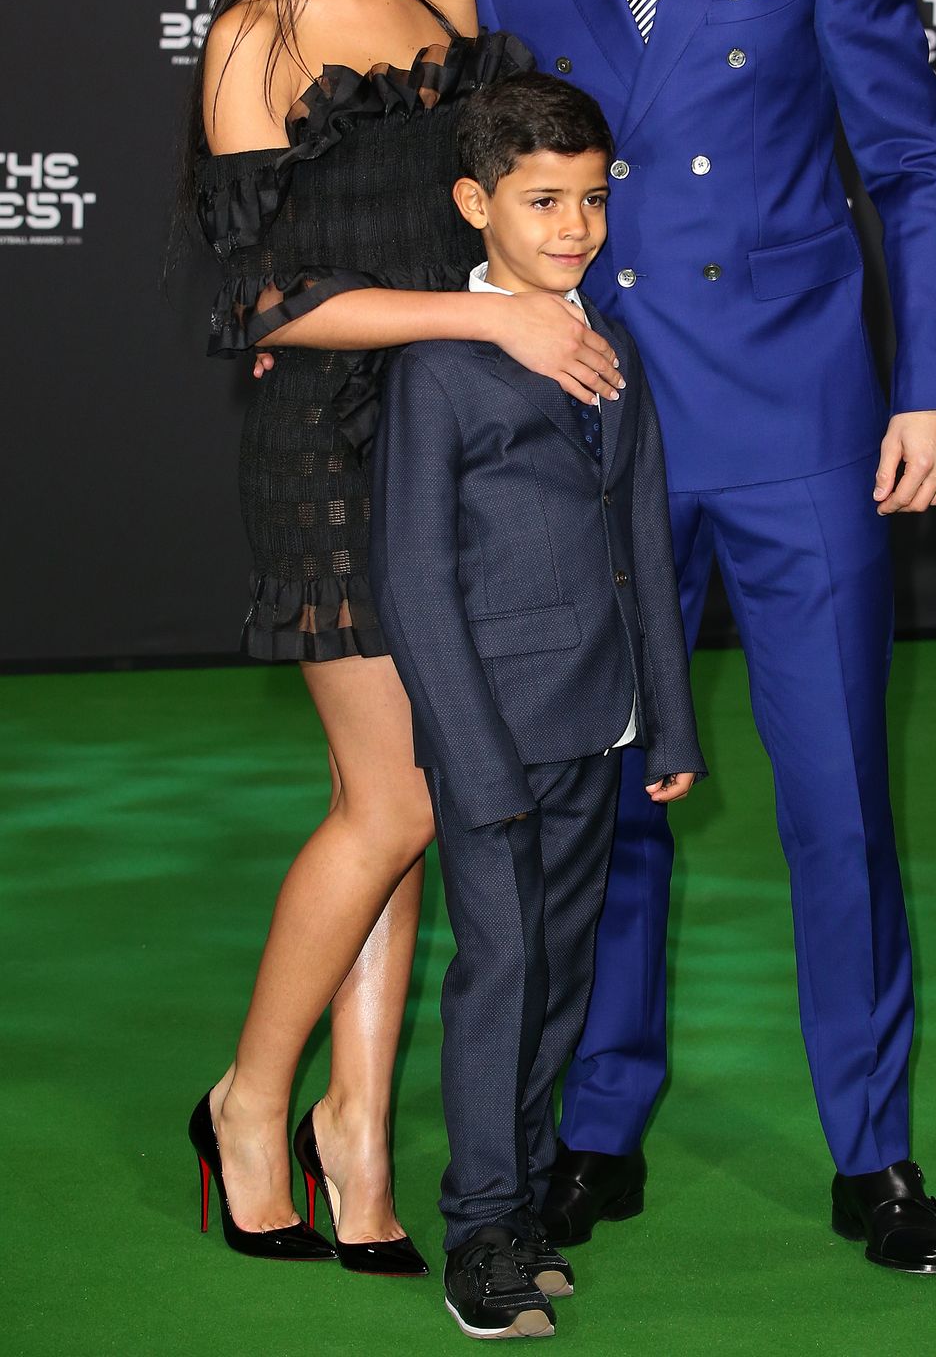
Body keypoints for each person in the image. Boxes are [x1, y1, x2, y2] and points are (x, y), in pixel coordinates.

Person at [454, 0, 936, 1275]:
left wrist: (932, 384)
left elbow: (906, 160)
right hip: (585, 431)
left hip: (799, 424)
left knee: (837, 800)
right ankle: (598, 1122)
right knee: (611, 799)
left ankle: (872, 1150)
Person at [185, 0, 626, 1271]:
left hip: (452, 446)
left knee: (416, 819)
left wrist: (514, 307)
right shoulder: (256, 35)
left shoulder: (445, 1)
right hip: (324, 447)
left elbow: (489, 209)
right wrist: (486, 314)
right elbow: (262, 306)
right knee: (402, 800)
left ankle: (356, 1145)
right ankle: (252, 1100)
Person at [367, 70, 705, 1339]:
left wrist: (665, 718)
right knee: (499, 972)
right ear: (475, 205)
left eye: (594, 199)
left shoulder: (606, 345)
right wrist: (469, 750)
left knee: (559, 974)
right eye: (542, 199)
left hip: (599, 723)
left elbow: (646, 546)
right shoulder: (441, 366)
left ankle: (520, 1204)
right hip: (494, 734)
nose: (574, 226)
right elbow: (411, 576)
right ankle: (479, 1231)